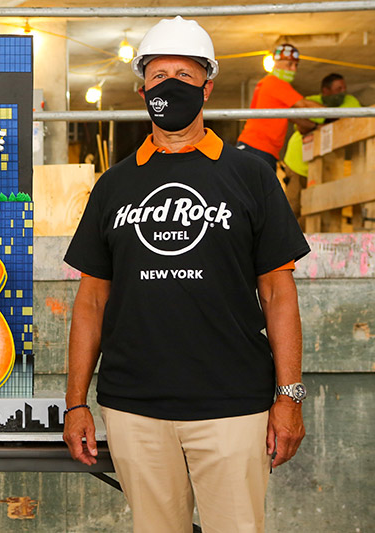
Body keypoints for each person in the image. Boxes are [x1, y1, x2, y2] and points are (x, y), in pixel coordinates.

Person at [62, 17, 310, 533]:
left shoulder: (250, 175)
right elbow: (90, 303)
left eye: (184, 72)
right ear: (142, 87)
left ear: (207, 85)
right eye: (158, 75)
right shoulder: (114, 185)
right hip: (133, 408)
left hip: (233, 405)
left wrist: (289, 396)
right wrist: (76, 403)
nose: (169, 84)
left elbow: (278, 293)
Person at [282, 73, 361, 217]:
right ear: (326, 91)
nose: (343, 92)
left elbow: (353, 119)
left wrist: (322, 121)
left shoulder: (350, 101)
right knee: (293, 208)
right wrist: (318, 125)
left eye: (344, 88)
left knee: (320, 210)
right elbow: (298, 122)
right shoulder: (311, 101)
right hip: (298, 163)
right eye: (338, 88)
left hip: (328, 165)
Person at [236, 43, 324, 170]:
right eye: (290, 64)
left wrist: (315, 127)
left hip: (260, 149)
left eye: (296, 65)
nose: (294, 69)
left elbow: (293, 117)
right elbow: (304, 105)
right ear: (276, 63)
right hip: (257, 149)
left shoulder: (267, 83)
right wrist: (336, 115)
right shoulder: (275, 83)